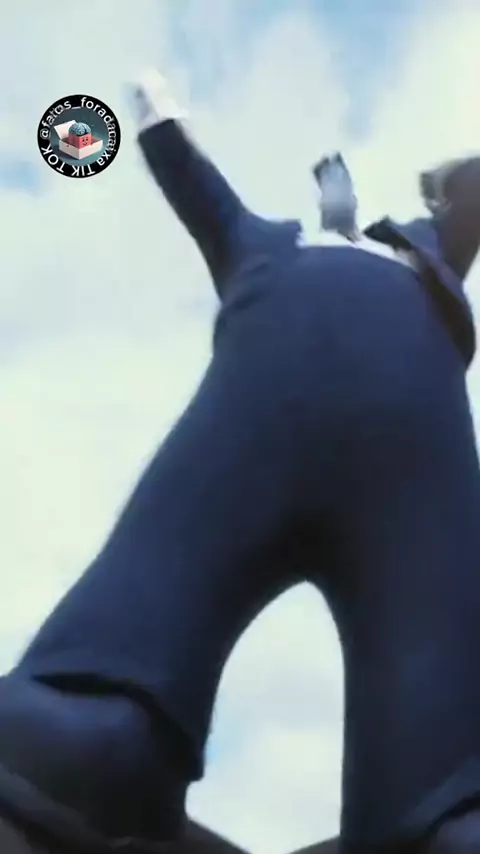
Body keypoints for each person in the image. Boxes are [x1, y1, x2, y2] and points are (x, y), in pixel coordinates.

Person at [1, 68, 480, 854]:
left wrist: (160, 120)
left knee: (83, 725)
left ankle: (90, 726)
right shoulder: (284, 246)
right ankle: (440, 810)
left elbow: (195, 182)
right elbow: (196, 182)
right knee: (443, 795)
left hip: (308, 374)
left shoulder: (358, 255)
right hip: (358, 383)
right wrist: (160, 121)